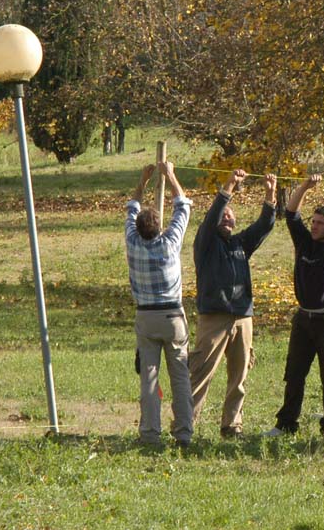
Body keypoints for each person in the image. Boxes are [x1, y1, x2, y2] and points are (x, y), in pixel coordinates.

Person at [265, 173, 324, 436]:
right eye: (314, 222)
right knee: (294, 374)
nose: (315, 226)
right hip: (303, 319)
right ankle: (286, 425)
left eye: (320, 223)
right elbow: (292, 213)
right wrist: (305, 186)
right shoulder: (304, 242)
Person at [188, 169, 277, 438]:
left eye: (231, 215)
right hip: (214, 318)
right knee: (201, 374)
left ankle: (232, 425)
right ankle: (185, 424)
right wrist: (229, 188)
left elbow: (264, 226)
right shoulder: (205, 242)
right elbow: (213, 214)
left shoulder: (240, 244)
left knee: (239, 377)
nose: (227, 218)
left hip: (243, 317)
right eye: (224, 215)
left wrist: (271, 194)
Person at [125, 162, 194, 447]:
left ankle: (150, 435)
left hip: (145, 317)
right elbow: (183, 206)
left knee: (149, 380)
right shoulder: (169, 244)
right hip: (172, 316)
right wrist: (170, 175)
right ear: (159, 228)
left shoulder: (132, 243)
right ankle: (183, 434)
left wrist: (143, 180)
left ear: (139, 229)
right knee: (180, 378)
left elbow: (131, 207)